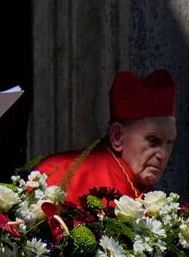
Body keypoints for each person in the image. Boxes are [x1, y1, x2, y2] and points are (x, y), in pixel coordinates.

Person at [35, 69, 177, 204]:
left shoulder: (150, 196)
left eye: (169, 142)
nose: (163, 155)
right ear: (117, 136)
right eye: (153, 141)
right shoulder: (58, 172)